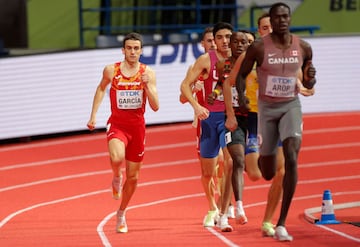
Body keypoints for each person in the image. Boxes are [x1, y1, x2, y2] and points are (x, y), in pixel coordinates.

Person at [234, 2, 316, 241]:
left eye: (283, 18)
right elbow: (236, 79)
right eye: (268, 24)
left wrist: (309, 82)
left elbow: (307, 82)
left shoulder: (302, 46)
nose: (275, 25)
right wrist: (239, 103)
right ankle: (264, 156)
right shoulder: (257, 49)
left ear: (289, 19)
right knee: (264, 173)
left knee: (290, 159)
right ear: (260, 28)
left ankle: (278, 222)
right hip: (262, 112)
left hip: (290, 107)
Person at [87, 32, 159, 233]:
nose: (133, 52)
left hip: (137, 129)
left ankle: (121, 213)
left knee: (134, 177)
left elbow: (155, 106)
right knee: (116, 157)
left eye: (136, 48)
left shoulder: (148, 73)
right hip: (118, 125)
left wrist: (147, 86)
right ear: (123, 50)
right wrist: (93, 115)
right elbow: (101, 89)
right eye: (129, 48)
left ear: (141, 51)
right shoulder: (112, 70)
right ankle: (116, 175)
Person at [180, 22, 234, 232]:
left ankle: (225, 208)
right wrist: (195, 96)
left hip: (227, 119)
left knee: (227, 162)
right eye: (211, 40)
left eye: (219, 39)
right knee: (208, 171)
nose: (216, 43)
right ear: (203, 43)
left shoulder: (234, 60)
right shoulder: (201, 64)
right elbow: (181, 95)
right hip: (204, 123)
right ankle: (213, 207)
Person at [215, 30, 250, 226]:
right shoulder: (224, 64)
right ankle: (239, 206)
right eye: (235, 41)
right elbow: (222, 84)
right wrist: (215, 93)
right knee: (236, 159)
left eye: (243, 42)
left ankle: (227, 208)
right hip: (233, 118)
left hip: (252, 118)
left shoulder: (255, 65)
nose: (238, 45)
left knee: (253, 167)